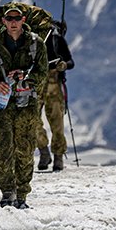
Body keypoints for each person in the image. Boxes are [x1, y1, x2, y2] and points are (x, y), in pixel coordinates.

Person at [0, 2, 48, 209]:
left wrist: (26, 80)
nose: (13, 22)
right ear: (3, 21)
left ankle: (22, 193)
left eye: (17, 18)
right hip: (2, 105)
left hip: (27, 105)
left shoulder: (36, 44)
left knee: (25, 149)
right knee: (3, 148)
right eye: (10, 19)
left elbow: (42, 72)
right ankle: (7, 192)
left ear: (23, 20)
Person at [36, 24, 75, 171]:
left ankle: (58, 156)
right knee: (32, 121)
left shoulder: (57, 39)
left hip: (54, 84)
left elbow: (71, 61)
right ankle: (43, 151)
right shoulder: (30, 40)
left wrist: (63, 65)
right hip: (36, 84)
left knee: (57, 122)